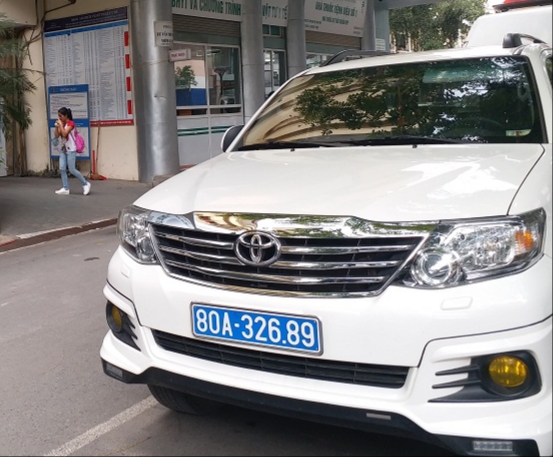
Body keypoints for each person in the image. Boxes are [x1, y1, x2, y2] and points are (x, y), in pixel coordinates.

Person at [53, 107, 91, 196]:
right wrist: (57, 126)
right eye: (58, 116)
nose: (59, 118)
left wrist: (60, 125)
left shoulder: (71, 124)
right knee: (62, 168)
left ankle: (85, 183)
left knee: (72, 169)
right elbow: (57, 135)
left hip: (71, 149)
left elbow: (64, 134)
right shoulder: (62, 124)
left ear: (66, 115)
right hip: (63, 149)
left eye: (60, 116)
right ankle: (65, 188)